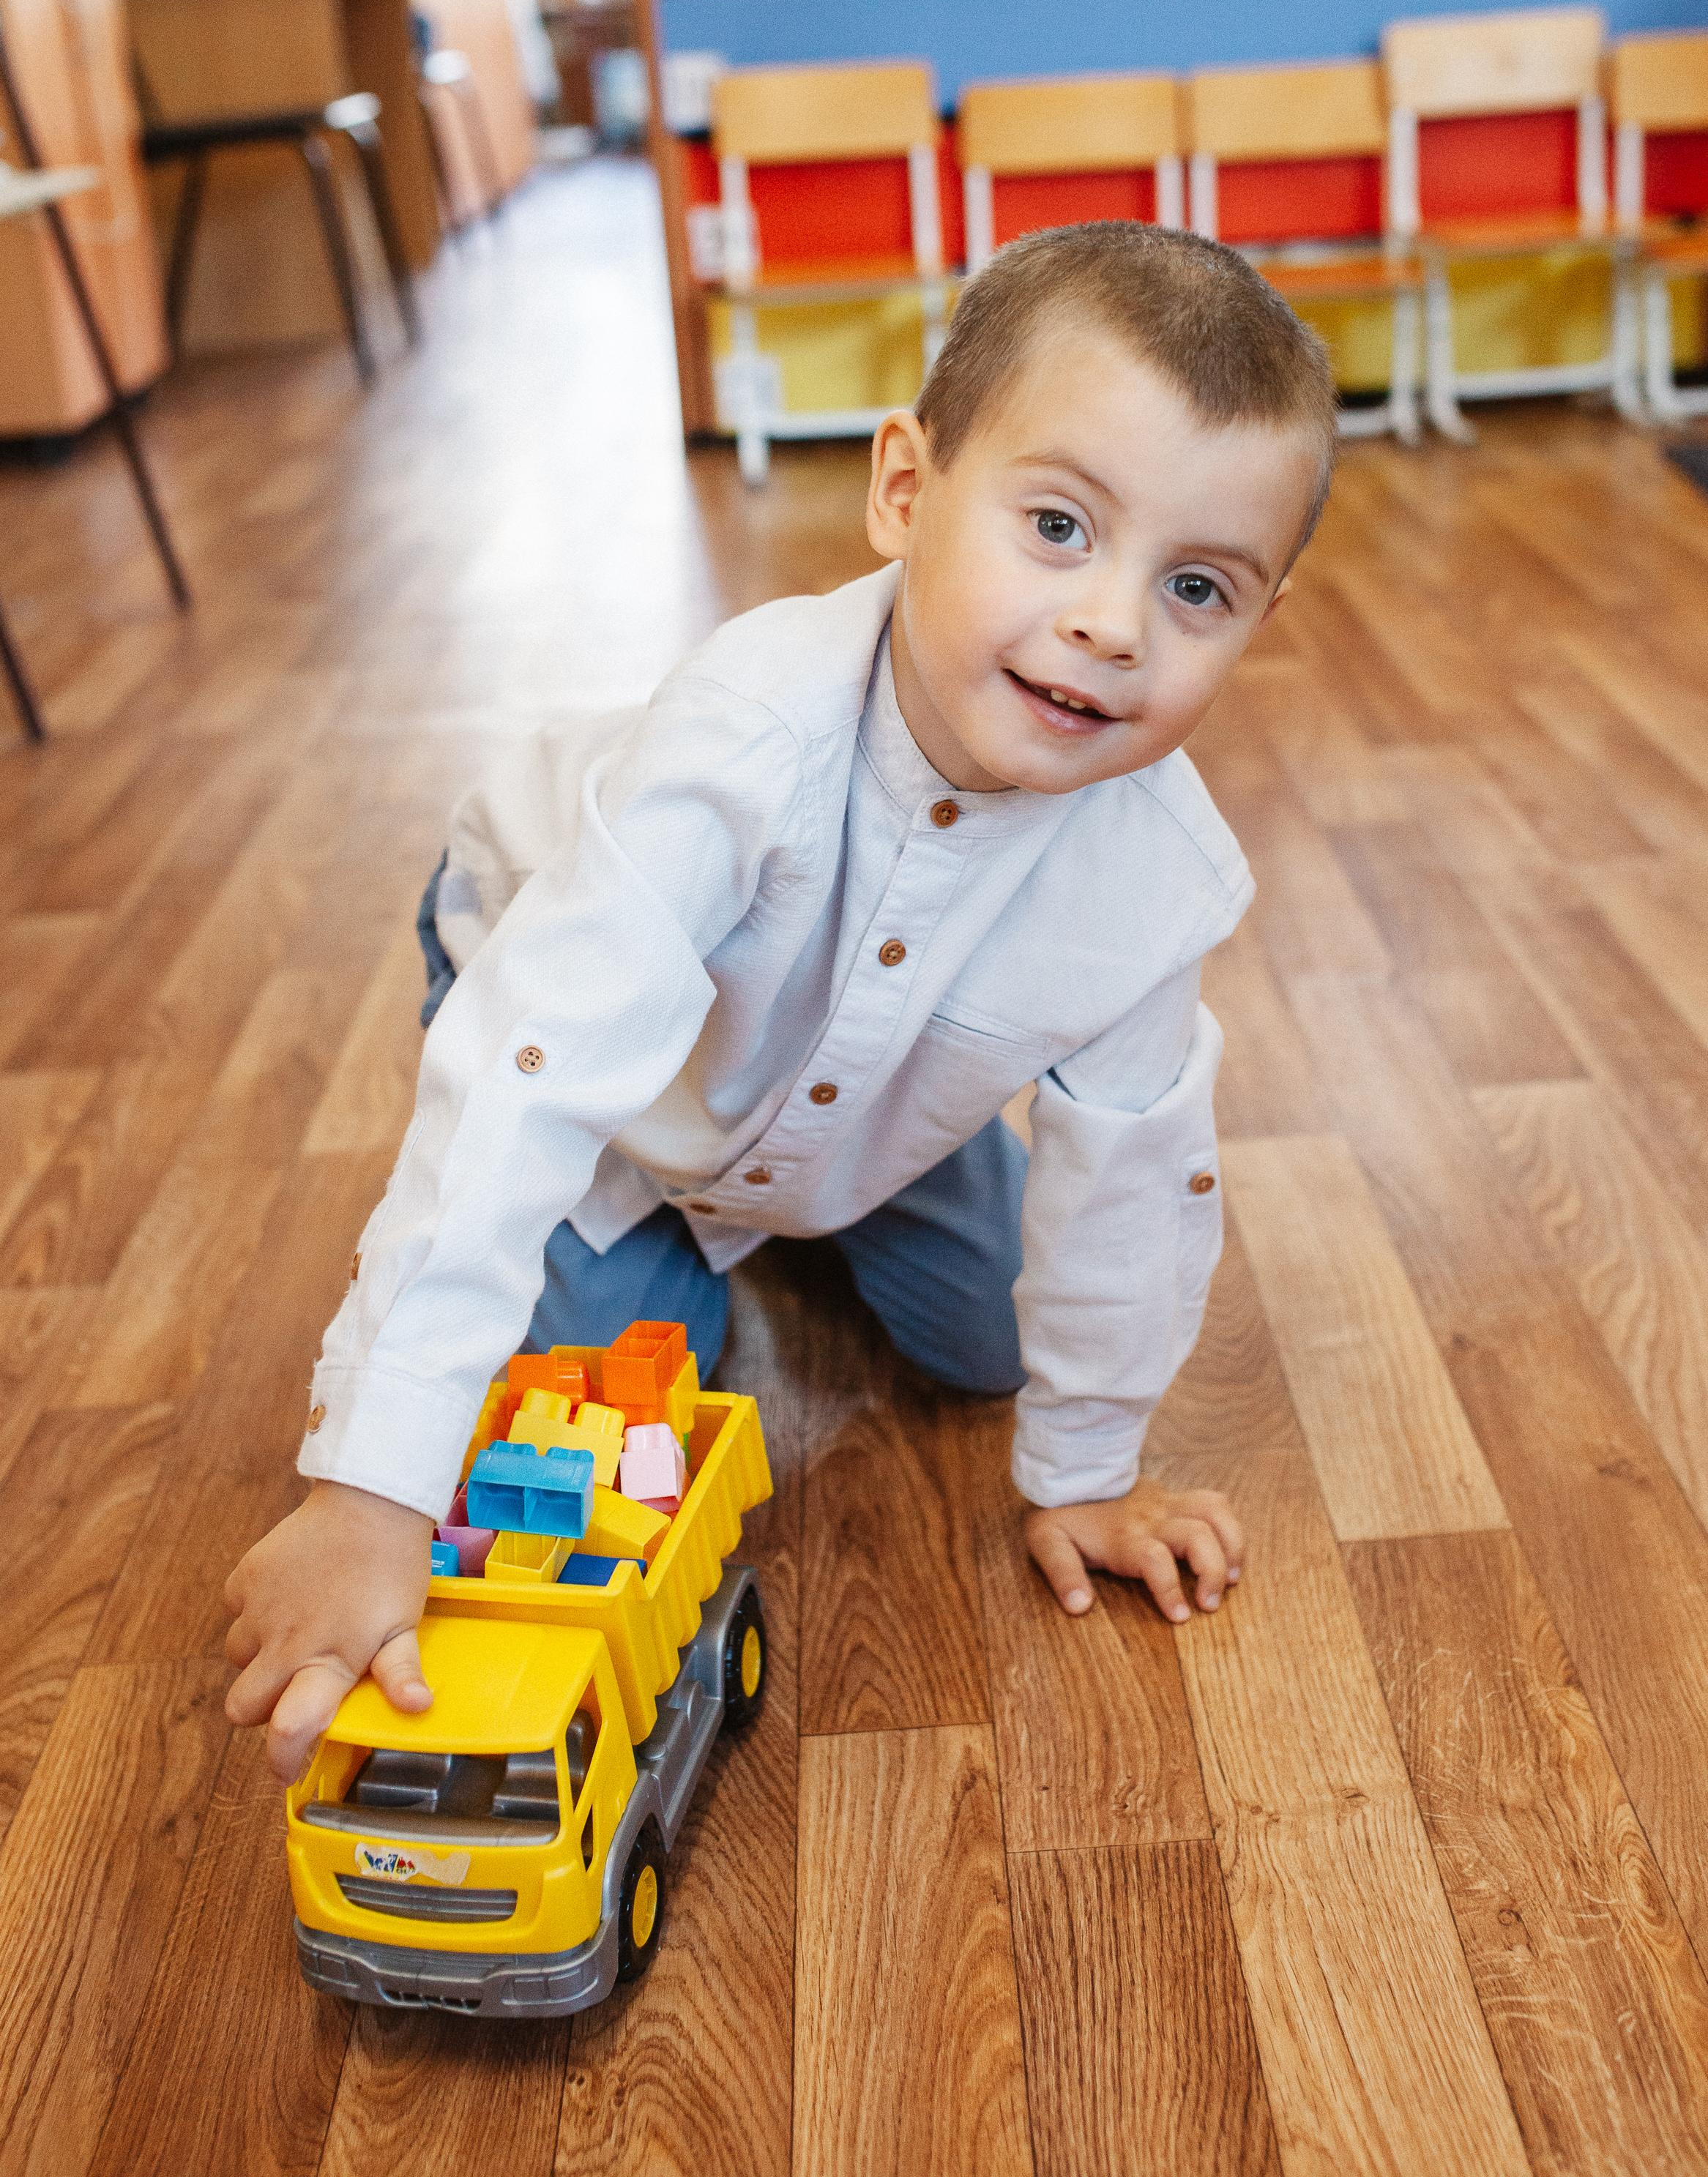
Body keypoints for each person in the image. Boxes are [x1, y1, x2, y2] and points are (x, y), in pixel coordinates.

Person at [225, 220, 1338, 1780]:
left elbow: (1135, 1191)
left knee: (986, 1345)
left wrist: (1086, 1473)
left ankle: (861, 1169)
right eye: (1059, 527)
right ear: (905, 490)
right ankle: (724, 1214)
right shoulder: (744, 740)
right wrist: (373, 1485)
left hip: (868, 1085)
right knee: (646, 1404)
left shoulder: (1157, 881)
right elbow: (532, 1075)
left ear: (1258, 621)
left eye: (1200, 586)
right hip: (612, 1064)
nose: (1114, 623)